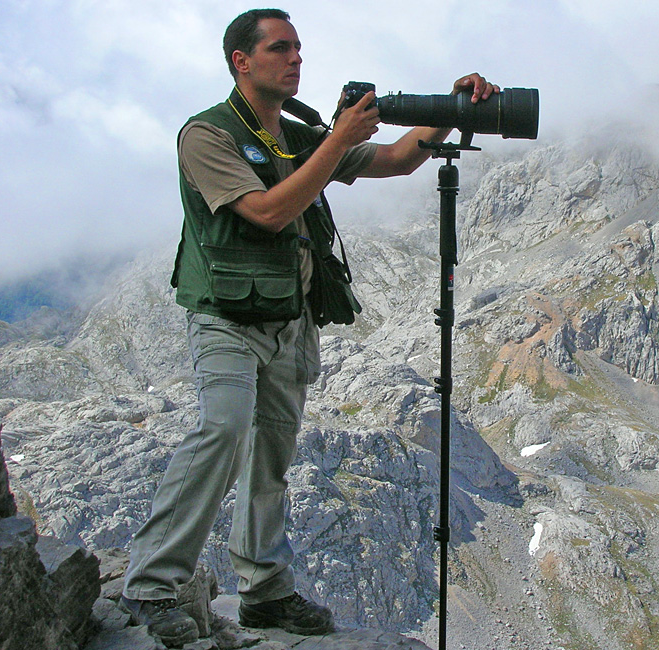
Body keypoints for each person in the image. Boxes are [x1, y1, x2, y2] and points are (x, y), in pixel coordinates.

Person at [120, 8, 499, 647]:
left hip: (289, 320)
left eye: (299, 48)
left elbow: (399, 159)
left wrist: (453, 109)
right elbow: (267, 212)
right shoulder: (206, 136)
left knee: (272, 456)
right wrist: (336, 138)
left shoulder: (298, 133)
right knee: (223, 428)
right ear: (241, 61)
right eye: (280, 48)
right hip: (227, 319)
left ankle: (264, 593)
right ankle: (152, 586)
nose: (296, 59)